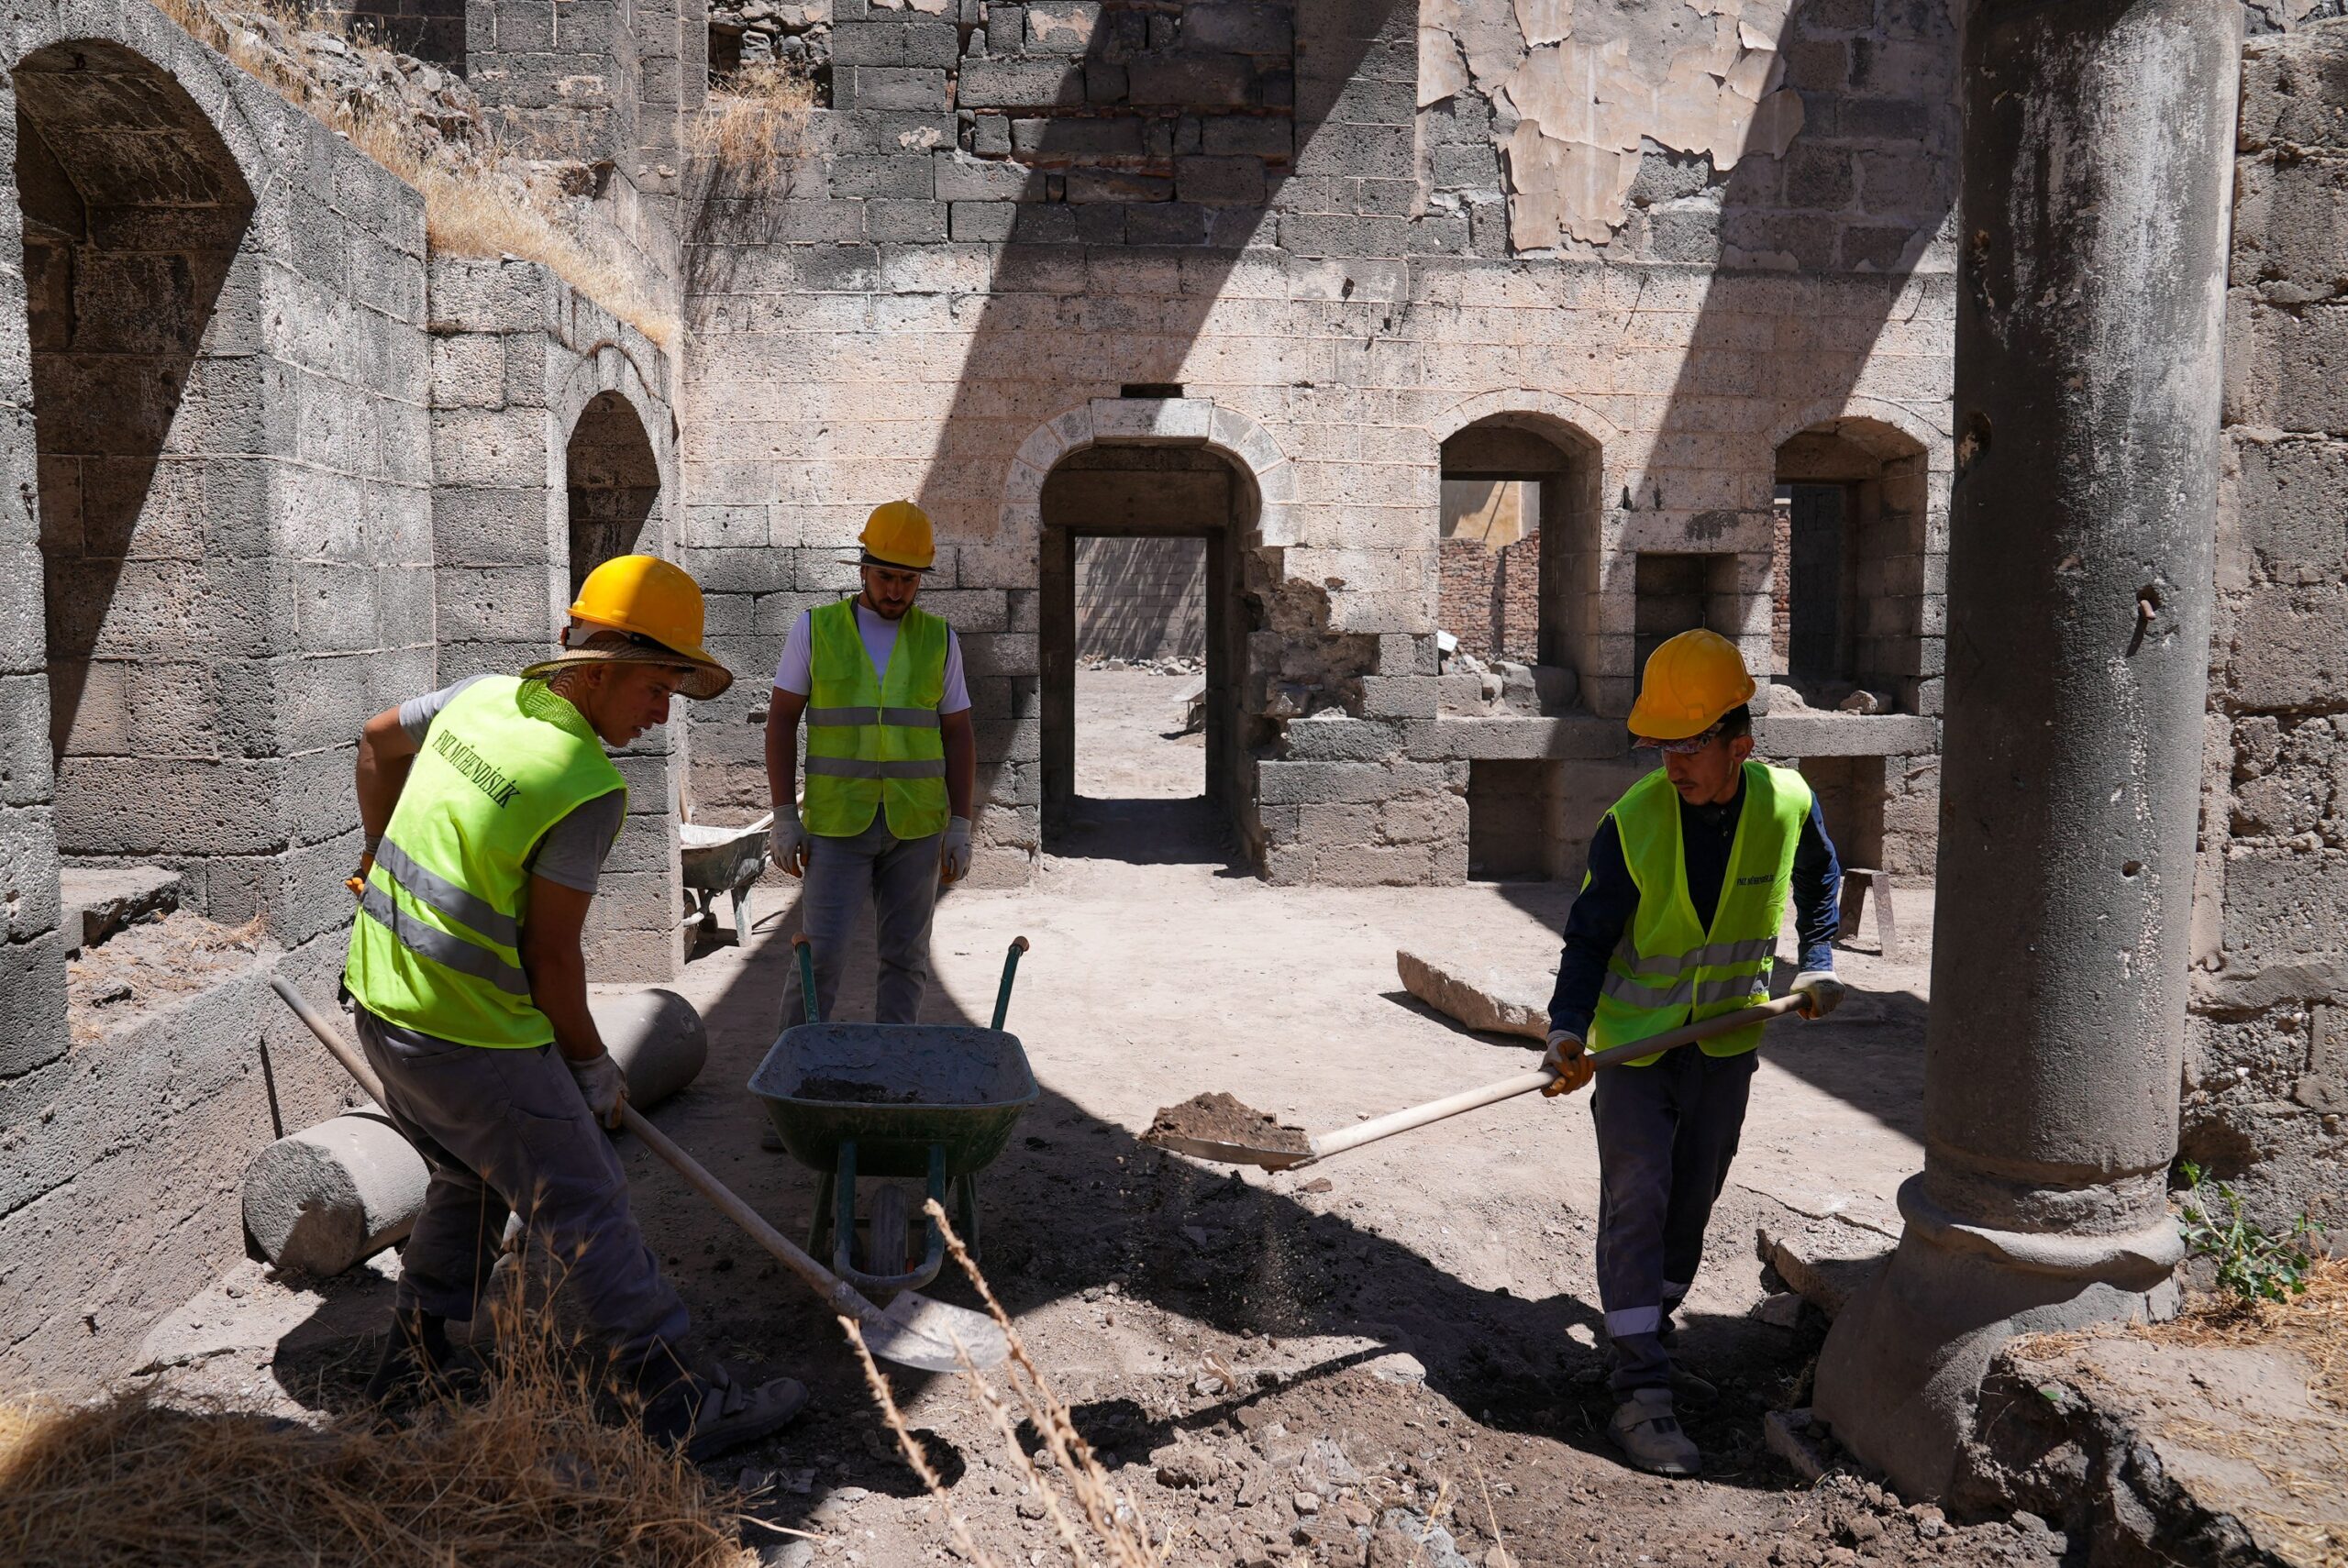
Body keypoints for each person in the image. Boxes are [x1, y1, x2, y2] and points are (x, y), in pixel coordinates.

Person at [342, 554, 805, 1458]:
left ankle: (417, 1361)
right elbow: (551, 960)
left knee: (471, 1176)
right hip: (469, 1032)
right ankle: (676, 1400)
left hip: (380, 1001)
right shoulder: (585, 786)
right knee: (587, 1195)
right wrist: (592, 1068)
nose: (663, 712)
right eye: (655, 685)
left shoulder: (478, 699)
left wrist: (374, 855)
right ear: (597, 666)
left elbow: (371, 741)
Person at [1541, 628, 1845, 1478]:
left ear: (1739, 743)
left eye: (1689, 745)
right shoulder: (1631, 825)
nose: (1671, 763)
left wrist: (1819, 962)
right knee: (1638, 1198)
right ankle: (1640, 1390)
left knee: (1692, 1200)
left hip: (1726, 1041)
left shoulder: (1787, 802)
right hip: (1635, 1052)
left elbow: (1823, 877)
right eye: (1660, 745)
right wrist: (1566, 1031)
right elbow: (1588, 939)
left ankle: (1649, 1333)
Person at [766, 500, 978, 1025]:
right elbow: (780, 721)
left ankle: (894, 1064)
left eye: (909, 579)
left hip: (917, 825)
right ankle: (797, 1068)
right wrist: (784, 816)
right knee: (821, 957)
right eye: (886, 576)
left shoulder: (940, 639)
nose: (896, 590)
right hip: (838, 824)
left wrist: (960, 823)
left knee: (906, 959)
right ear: (863, 568)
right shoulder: (815, 631)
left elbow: (959, 733)